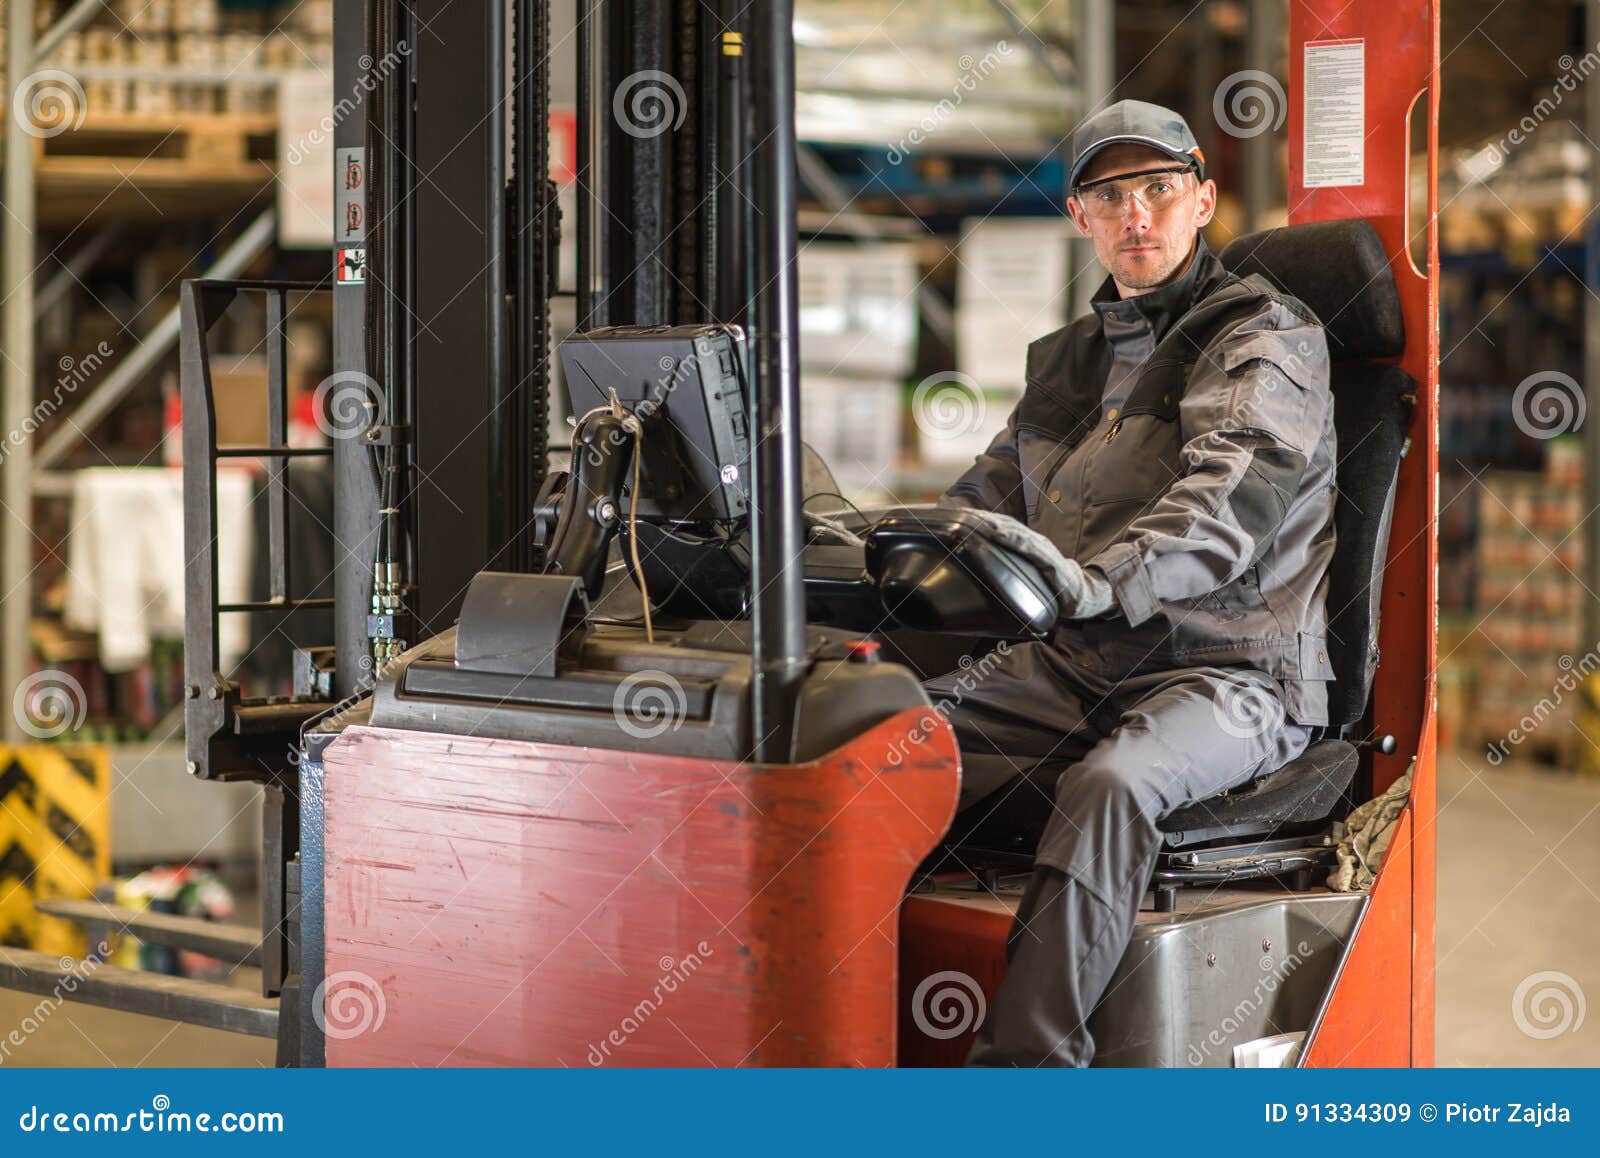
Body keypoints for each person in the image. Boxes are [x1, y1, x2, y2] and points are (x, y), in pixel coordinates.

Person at [927, 99, 1337, 1066]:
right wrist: (867, 554)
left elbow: (1231, 489)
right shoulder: (1070, 364)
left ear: (1203, 197)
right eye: (1112, 196)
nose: (1137, 216)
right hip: (1078, 664)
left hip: (1235, 675)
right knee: (880, 733)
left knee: (1113, 784)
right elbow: (982, 501)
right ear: (1082, 217)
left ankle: (1026, 1082)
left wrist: (1102, 581)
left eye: (1158, 189)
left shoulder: (1263, 334)